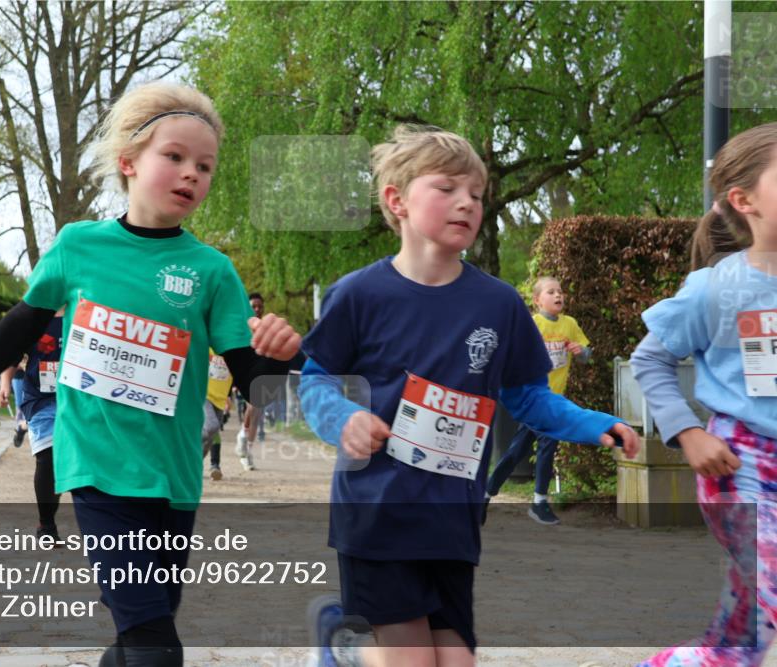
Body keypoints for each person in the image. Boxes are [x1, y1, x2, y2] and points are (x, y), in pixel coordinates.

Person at [0, 81, 301, 667]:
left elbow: (255, 382)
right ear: (128, 162)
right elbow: (21, 325)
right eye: (173, 157)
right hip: (98, 465)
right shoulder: (79, 245)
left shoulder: (213, 272)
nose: (191, 173)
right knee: (157, 646)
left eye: (204, 165)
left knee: (141, 631)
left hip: (173, 476)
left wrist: (286, 356)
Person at [297, 125, 639, 667]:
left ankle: (349, 649)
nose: (466, 203)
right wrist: (341, 417)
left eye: (476, 195)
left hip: (452, 518)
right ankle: (356, 650)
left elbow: (528, 396)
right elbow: (314, 379)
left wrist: (592, 423)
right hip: (376, 511)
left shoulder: (499, 304)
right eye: (447, 189)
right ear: (397, 201)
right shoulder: (358, 294)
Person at [631, 122, 777, 667]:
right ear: (744, 201)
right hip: (740, 464)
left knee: (741, 643)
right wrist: (688, 432)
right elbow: (651, 358)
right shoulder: (717, 289)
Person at [484, 276, 592, 525]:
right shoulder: (533, 325)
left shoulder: (570, 324)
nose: (558, 295)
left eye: (560, 291)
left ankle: (487, 491)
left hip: (554, 399)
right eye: (551, 292)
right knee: (545, 445)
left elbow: (586, 355)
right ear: (537, 300)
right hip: (533, 398)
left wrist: (581, 351)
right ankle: (539, 502)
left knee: (518, 450)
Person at [0, 311, 64, 539]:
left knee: (65, 462)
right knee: (47, 457)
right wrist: (5, 384)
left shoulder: (83, 312)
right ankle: (46, 525)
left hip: (77, 400)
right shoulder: (33, 319)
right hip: (41, 398)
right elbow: (11, 358)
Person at [235, 292, 266, 469]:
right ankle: (242, 436)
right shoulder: (241, 327)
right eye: (253, 306)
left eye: (259, 306)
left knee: (257, 414)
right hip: (245, 372)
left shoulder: (265, 327)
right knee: (252, 405)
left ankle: (247, 451)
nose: (257, 309)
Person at [202, 349, 233, 481]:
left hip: (220, 397)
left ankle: (198, 464)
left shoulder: (233, 351)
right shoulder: (207, 345)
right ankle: (189, 458)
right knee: (212, 426)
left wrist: (229, 396)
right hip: (204, 394)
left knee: (213, 435)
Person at [11, 355, 28, 447]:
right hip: (18, 377)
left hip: (31, 377)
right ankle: (20, 426)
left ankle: (23, 427)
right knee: (20, 403)